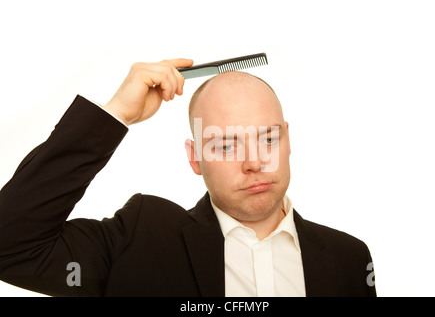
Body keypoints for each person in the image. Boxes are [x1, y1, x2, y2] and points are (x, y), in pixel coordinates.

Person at [0, 58, 376, 297]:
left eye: (267, 137)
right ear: (195, 158)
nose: (254, 162)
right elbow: (9, 246)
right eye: (226, 145)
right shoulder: (139, 241)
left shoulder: (349, 259)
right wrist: (117, 114)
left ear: (287, 139)